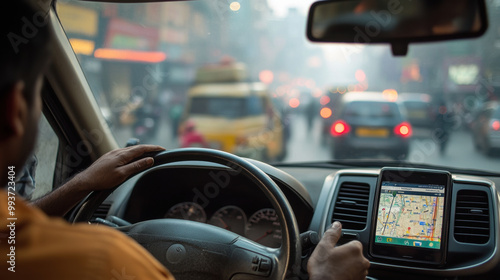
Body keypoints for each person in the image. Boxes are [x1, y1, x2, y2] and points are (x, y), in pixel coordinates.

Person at [0, 1, 369, 279]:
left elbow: (12, 233)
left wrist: (82, 183)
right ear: (16, 110)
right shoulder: (105, 261)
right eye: (39, 96)